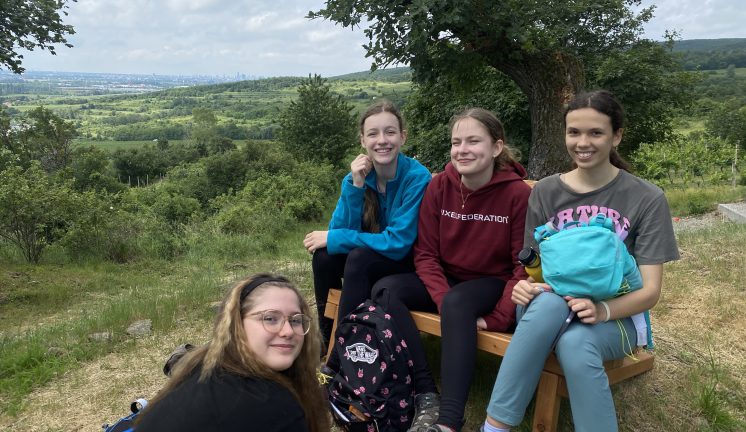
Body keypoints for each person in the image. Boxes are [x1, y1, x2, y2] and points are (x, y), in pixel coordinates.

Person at [482, 90, 680, 432]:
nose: (582, 142)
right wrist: (526, 289)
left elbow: (650, 292)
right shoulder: (545, 192)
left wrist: (602, 310)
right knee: (548, 306)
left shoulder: (646, 198)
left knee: (575, 342)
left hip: (614, 317)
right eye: (574, 132)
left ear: (616, 136)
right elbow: (535, 270)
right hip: (547, 307)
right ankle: (495, 427)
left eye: (596, 132)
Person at [371, 108, 531, 432]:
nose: (462, 149)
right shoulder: (440, 186)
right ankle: (425, 389)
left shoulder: (518, 195)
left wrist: (499, 317)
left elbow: (523, 266)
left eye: (474, 141)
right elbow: (426, 254)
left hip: (491, 282)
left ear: (496, 147)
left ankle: (448, 421)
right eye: (456, 142)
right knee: (386, 289)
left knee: (458, 302)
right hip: (449, 280)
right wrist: (443, 299)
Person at [304, 100, 432, 362]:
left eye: (390, 132)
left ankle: (345, 351)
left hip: (406, 265)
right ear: (363, 140)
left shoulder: (417, 177)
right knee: (325, 257)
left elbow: (398, 243)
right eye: (373, 134)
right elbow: (339, 232)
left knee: (358, 256)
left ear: (403, 137)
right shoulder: (356, 177)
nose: (382, 140)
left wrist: (335, 237)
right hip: (370, 261)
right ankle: (326, 338)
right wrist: (357, 184)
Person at [134, 274, 330, 432]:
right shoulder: (272, 407)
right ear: (238, 325)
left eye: (296, 320)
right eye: (270, 318)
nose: (288, 331)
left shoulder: (202, 365)